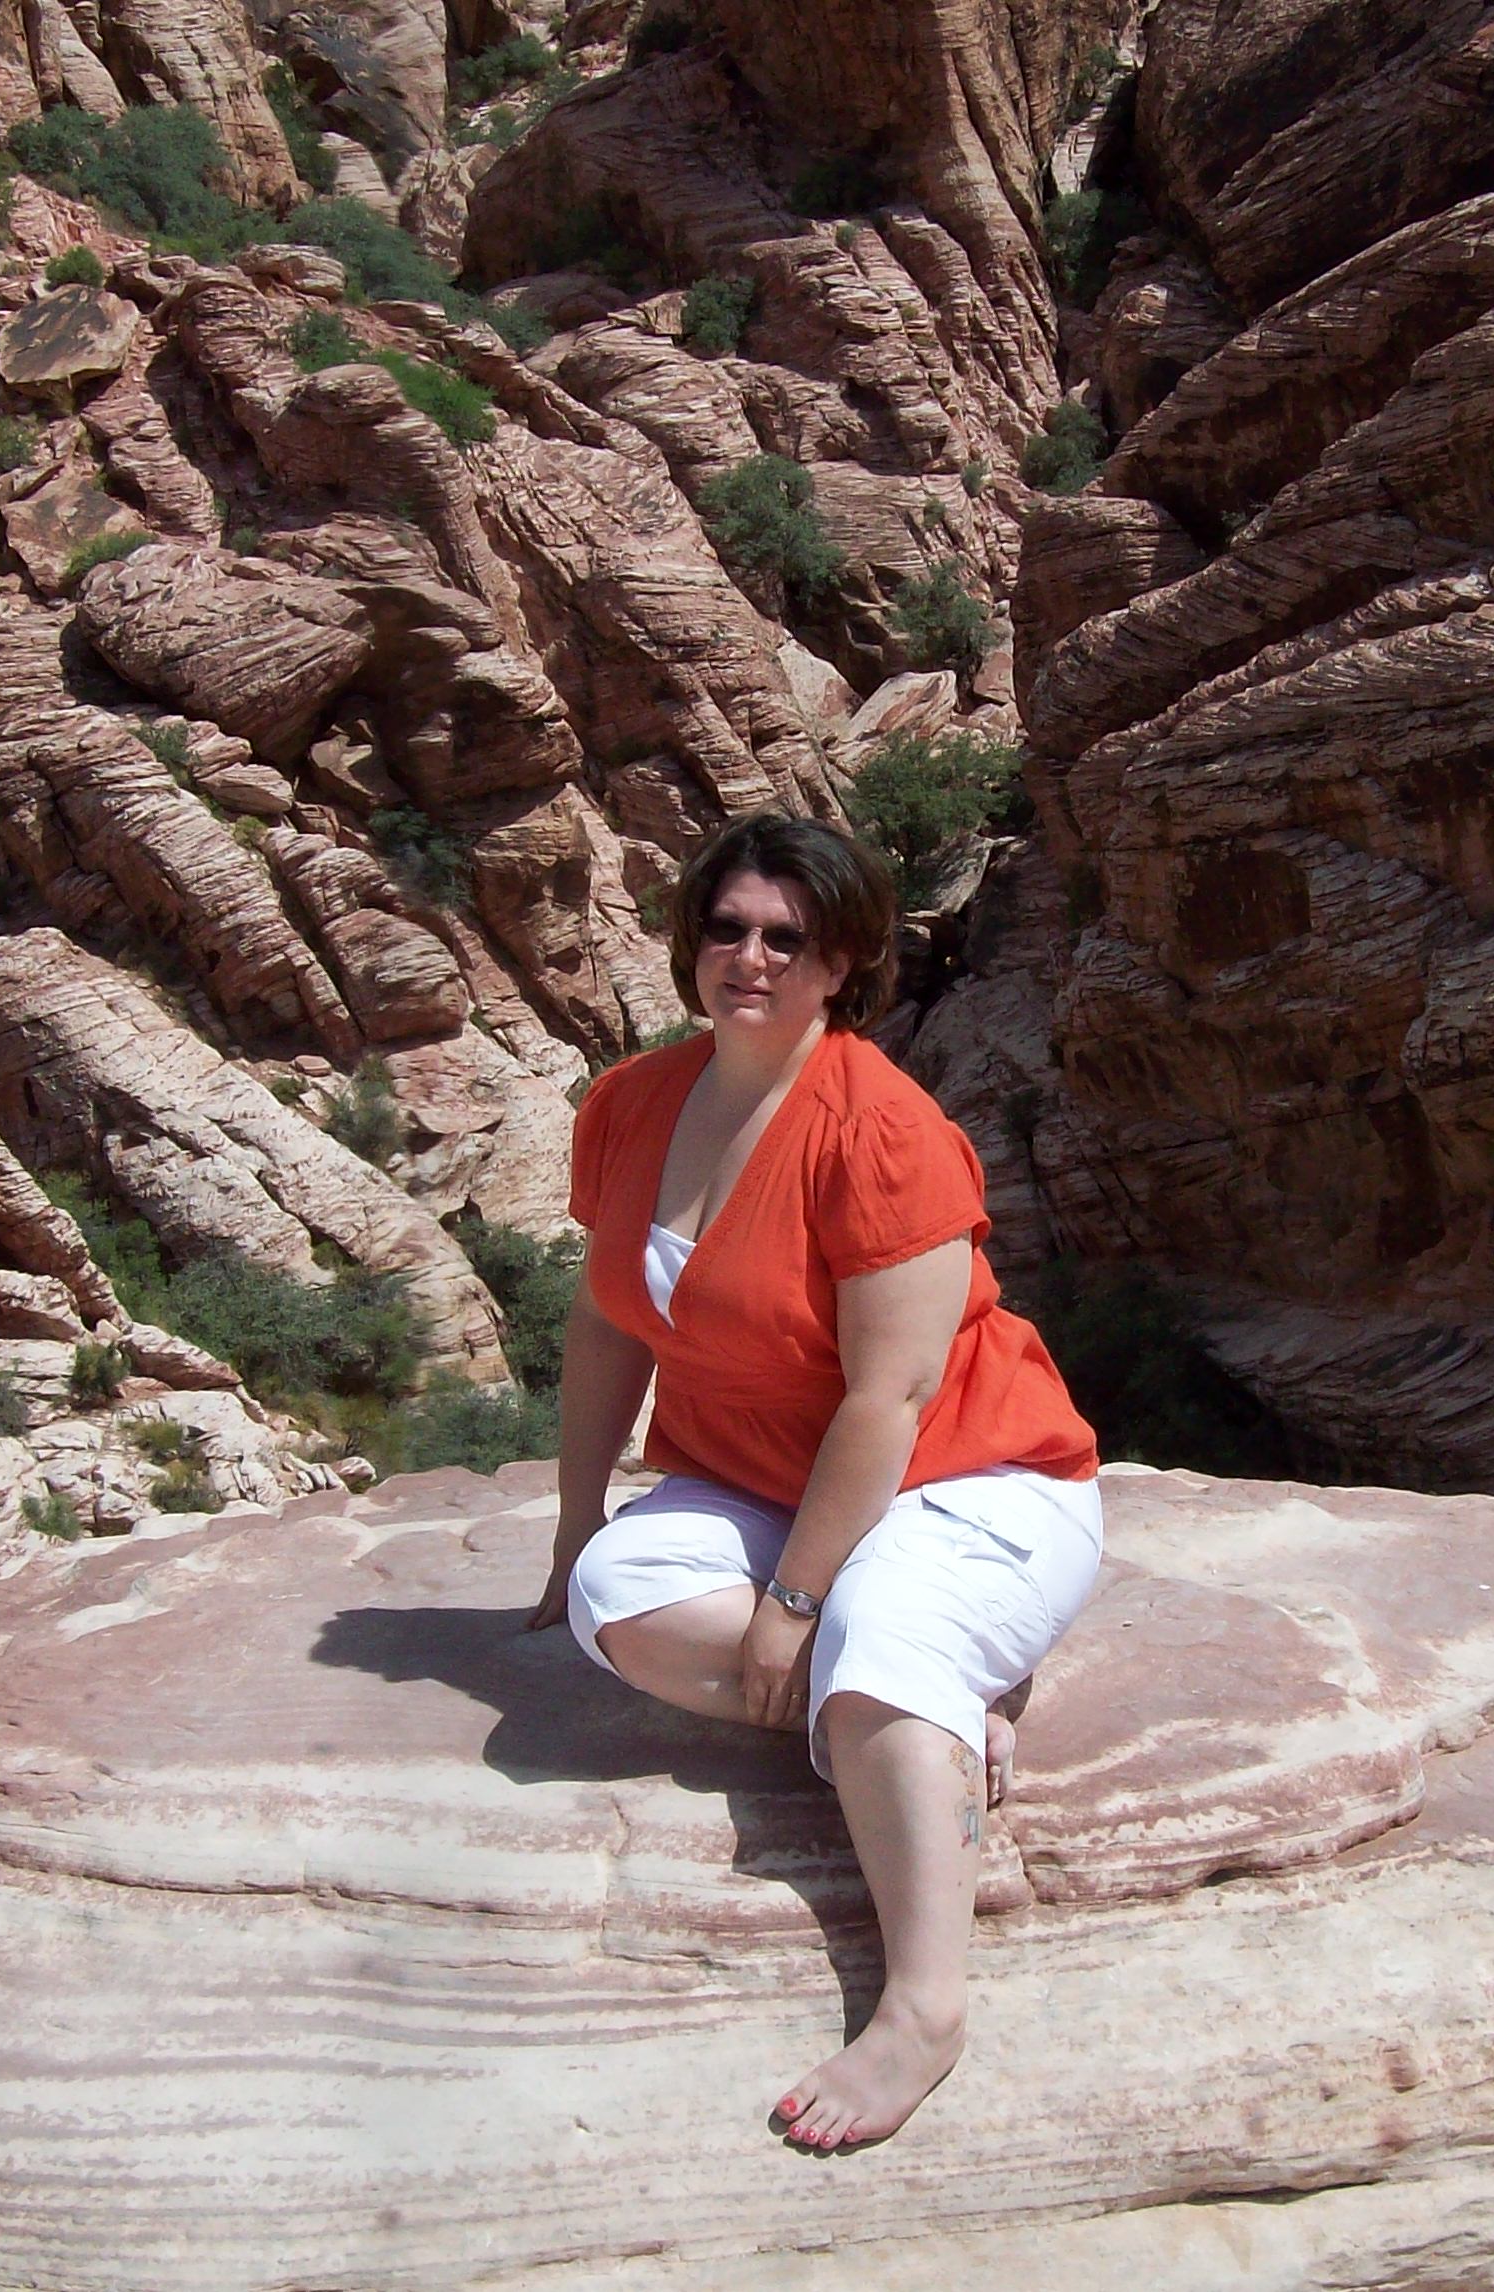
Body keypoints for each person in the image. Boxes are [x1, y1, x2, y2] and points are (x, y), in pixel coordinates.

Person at [527, 809, 1101, 2153]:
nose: (752, 957)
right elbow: (611, 1321)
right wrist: (569, 1528)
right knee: (618, 1600)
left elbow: (888, 1397)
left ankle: (923, 2009)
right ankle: (931, 1720)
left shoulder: (881, 1130)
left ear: (842, 964)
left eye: (789, 939)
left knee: (876, 1643)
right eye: (727, 928)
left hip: (972, 1476)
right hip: (768, 1483)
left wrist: (793, 1605)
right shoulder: (631, 1106)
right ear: (691, 944)